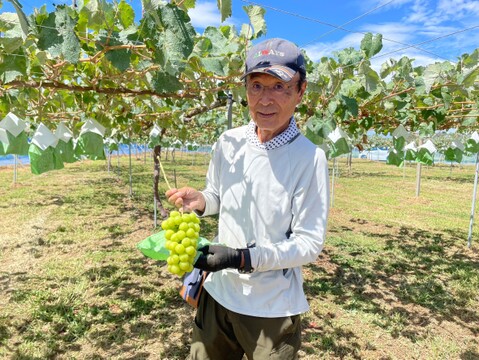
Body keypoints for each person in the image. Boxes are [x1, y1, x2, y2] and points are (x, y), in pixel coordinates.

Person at [166, 38, 330, 360]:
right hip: (218, 294)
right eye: (256, 85)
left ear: (301, 90)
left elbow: (309, 243)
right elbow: (217, 195)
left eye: (279, 86)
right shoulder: (228, 142)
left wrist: (242, 258)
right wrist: (201, 200)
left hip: (270, 309)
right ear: (245, 90)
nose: (265, 100)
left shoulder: (310, 159)